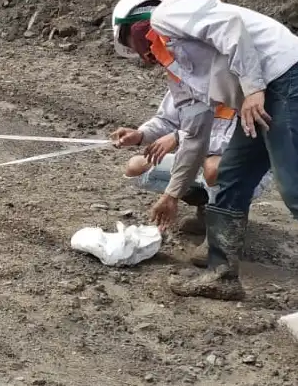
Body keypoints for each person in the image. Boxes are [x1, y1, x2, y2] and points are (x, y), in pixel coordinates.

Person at [111, 0, 298, 301]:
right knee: (232, 177)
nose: (143, 54)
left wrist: (253, 87)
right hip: (262, 91)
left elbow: (229, 25)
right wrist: (172, 194)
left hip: (289, 73)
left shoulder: (169, 12)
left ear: (136, 26)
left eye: (133, 43)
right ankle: (222, 276)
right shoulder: (181, 73)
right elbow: (194, 136)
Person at [111, 90, 275, 264]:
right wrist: (140, 135)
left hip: (243, 169)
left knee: (213, 168)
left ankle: (221, 233)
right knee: (136, 167)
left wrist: (178, 137)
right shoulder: (189, 79)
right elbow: (166, 120)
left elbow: (237, 145)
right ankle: (206, 212)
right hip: (199, 157)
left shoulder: (250, 89)